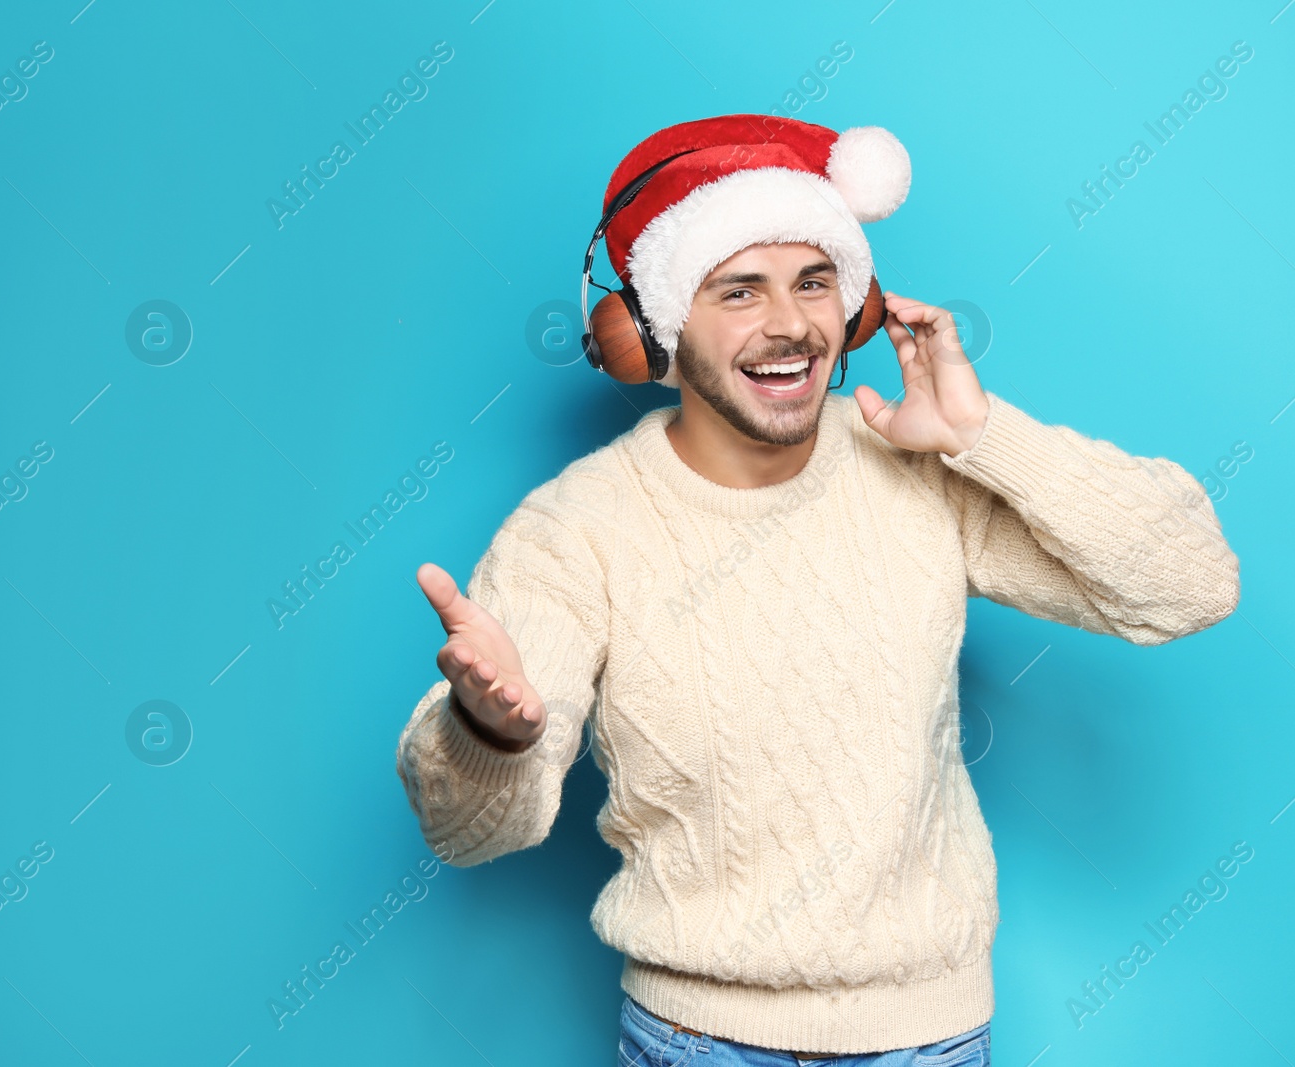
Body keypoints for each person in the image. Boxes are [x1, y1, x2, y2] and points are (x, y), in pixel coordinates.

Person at [395, 114, 1241, 1066]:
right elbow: (466, 831)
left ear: (858, 309)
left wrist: (982, 431)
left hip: (932, 1038)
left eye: (814, 281)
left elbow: (1189, 583)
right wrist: (492, 734)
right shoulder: (576, 527)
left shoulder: (912, 461)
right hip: (694, 1042)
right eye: (738, 290)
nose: (789, 323)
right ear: (657, 328)